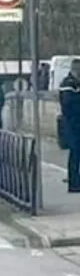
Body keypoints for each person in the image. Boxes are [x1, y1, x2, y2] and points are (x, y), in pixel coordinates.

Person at [60, 59, 80, 192]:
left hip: (76, 122)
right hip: (73, 124)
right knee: (75, 152)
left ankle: (75, 180)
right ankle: (73, 183)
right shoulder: (68, 84)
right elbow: (68, 104)